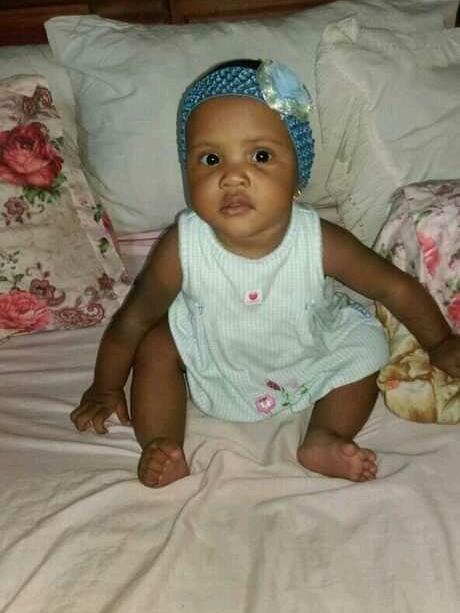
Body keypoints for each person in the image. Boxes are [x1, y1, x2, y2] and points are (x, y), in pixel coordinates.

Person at [71, 59, 460, 488]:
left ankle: (325, 435)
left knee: (367, 344)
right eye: (211, 158)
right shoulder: (180, 248)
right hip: (212, 350)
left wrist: (440, 343)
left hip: (309, 347)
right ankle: (162, 443)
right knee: (156, 344)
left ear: (297, 174)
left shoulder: (319, 240)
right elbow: (132, 320)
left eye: (260, 156)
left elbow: (393, 287)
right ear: (187, 173)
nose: (232, 176)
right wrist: (106, 386)